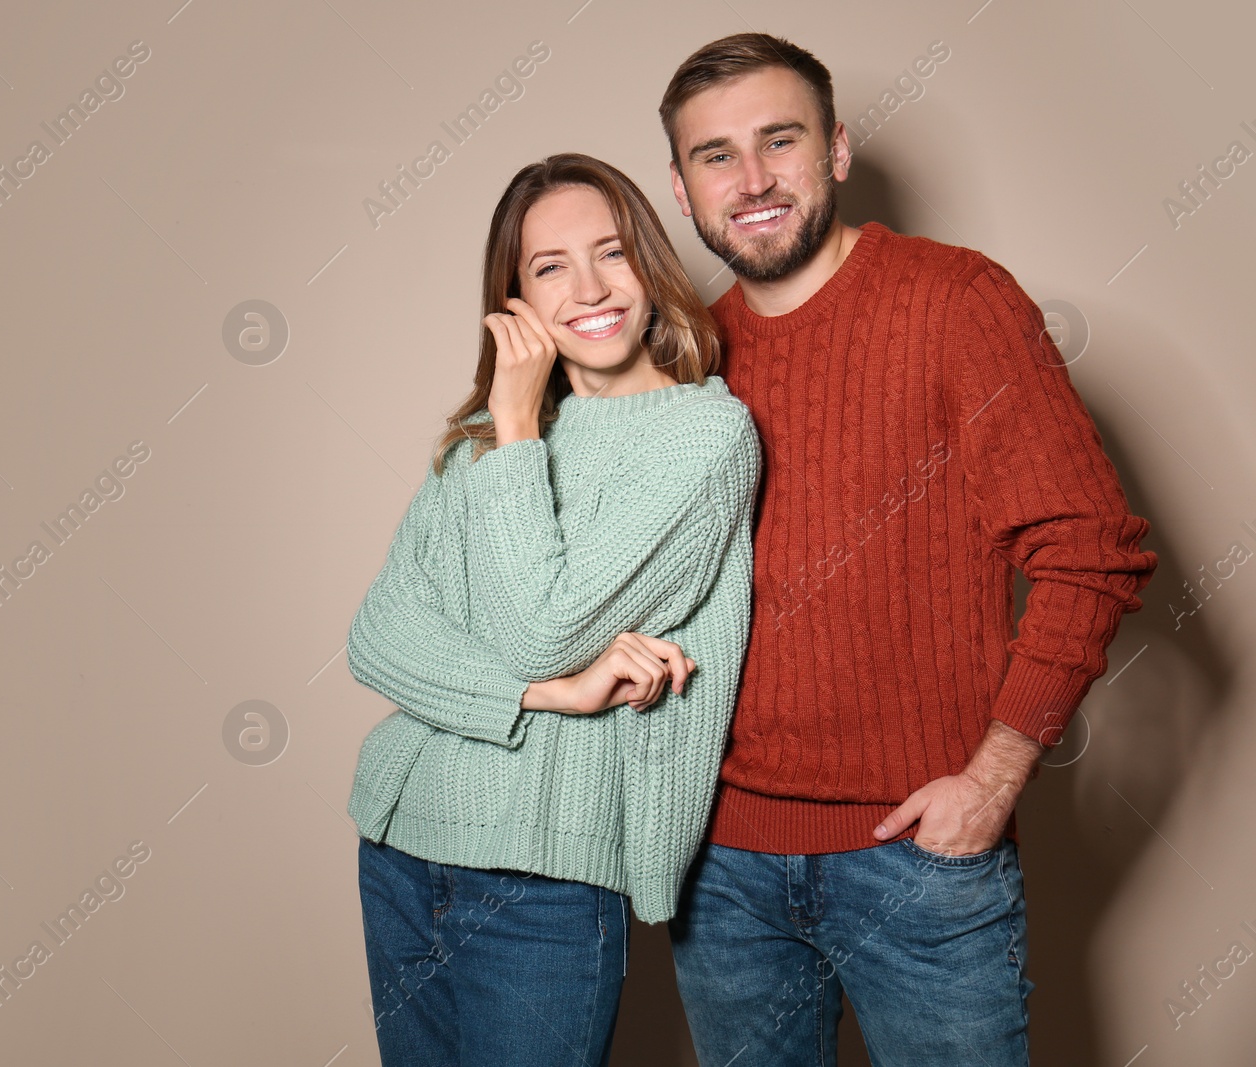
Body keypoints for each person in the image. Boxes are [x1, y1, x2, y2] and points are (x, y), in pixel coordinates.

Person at [655, 33, 1158, 1066]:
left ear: (835, 149)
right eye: (715, 156)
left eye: (778, 141)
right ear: (680, 185)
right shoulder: (685, 355)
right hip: (721, 868)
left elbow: (1090, 548)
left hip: (919, 864)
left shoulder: (956, 302)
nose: (750, 181)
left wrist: (993, 775)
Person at [344, 152, 761, 1066]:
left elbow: (542, 626)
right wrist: (544, 696)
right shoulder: (482, 435)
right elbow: (378, 637)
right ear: (515, 301)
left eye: (612, 252)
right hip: (399, 845)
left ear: (651, 265)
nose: (590, 287)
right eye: (550, 266)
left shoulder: (703, 434)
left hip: (545, 877)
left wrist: (521, 426)